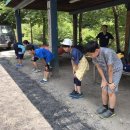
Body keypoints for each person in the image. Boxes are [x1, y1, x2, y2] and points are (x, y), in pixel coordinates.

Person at [85, 41, 123, 118]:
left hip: (116, 69)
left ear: (97, 50)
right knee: (103, 88)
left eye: (91, 54)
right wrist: (104, 80)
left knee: (111, 90)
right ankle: (104, 106)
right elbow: (99, 67)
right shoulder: (94, 56)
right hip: (105, 69)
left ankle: (111, 111)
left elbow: (110, 69)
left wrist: (110, 82)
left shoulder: (107, 52)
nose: (91, 56)